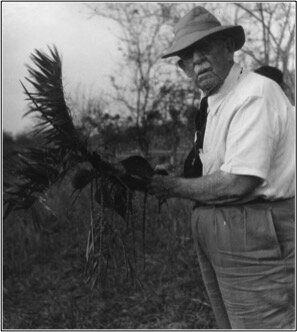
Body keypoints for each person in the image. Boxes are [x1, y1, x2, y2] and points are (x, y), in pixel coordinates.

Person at [148, 6, 295, 329]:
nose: (197, 61)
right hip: (222, 232)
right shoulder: (214, 102)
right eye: (187, 56)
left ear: (228, 47)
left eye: (204, 48)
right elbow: (216, 165)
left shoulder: (254, 93)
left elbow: (239, 181)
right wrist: (169, 173)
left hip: (254, 230)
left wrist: (170, 187)